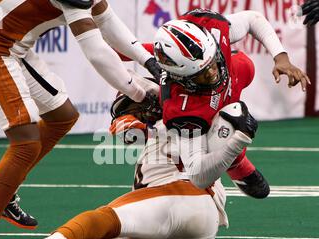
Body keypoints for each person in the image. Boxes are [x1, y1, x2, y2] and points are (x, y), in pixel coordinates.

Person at [0, 80, 258, 239]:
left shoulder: (177, 120)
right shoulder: (189, 121)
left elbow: (128, 128)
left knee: (103, 217)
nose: (130, 111)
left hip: (185, 198)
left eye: (134, 106)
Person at [0, 0, 162, 239]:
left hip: (13, 44)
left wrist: (148, 61)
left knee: (61, 117)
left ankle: (1, 194)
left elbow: (106, 20)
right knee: (25, 143)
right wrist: (139, 93)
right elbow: (97, 52)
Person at [127, 8, 310, 198]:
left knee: (246, 67)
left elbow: (252, 19)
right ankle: (237, 164)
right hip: (200, 109)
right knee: (227, 124)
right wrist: (238, 141)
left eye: (212, 64)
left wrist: (281, 57)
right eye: (202, 74)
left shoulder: (211, 28)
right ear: (180, 78)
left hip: (234, 75)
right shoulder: (181, 109)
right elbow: (198, 176)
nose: (213, 74)